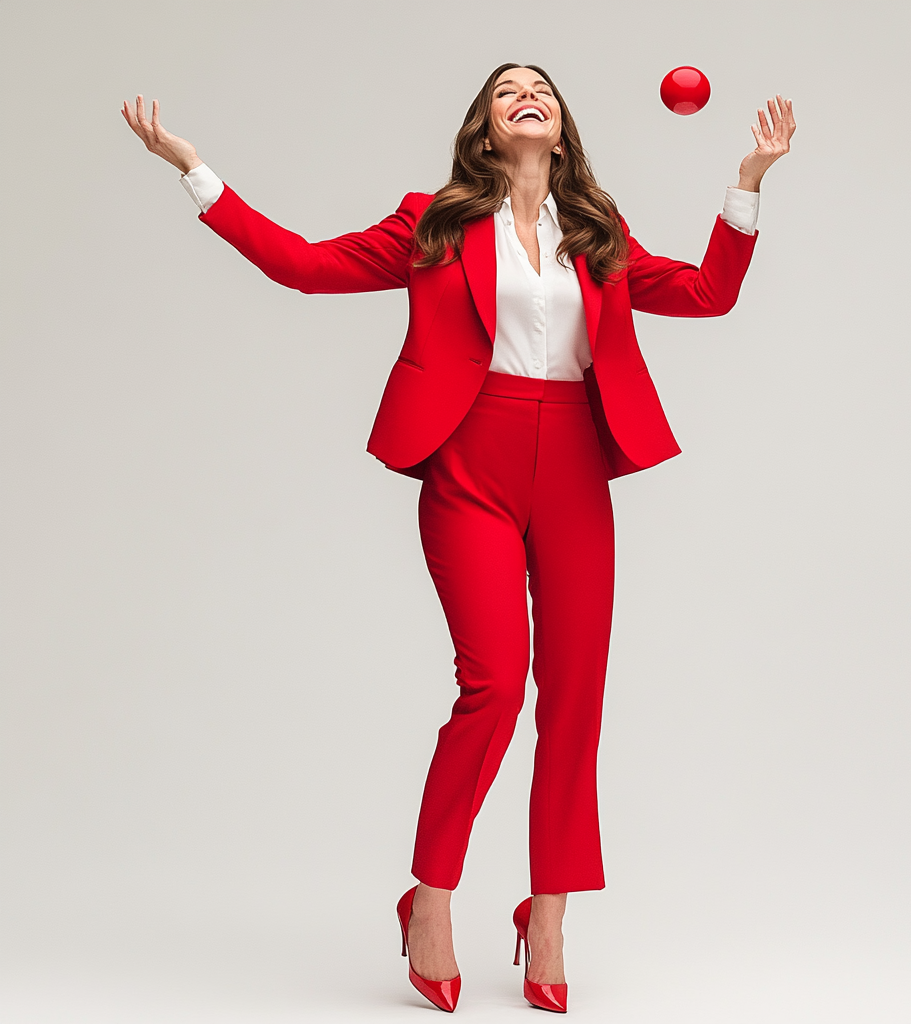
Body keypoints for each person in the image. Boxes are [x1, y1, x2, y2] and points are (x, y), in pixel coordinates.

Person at [122, 62, 795, 1014]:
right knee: (491, 683)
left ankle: (548, 916)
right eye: (506, 87)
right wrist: (196, 173)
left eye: (543, 89)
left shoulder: (597, 235)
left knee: (574, 699)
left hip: (572, 470)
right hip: (469, 464)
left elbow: (708, 294)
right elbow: (302, 266)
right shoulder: (431, 225)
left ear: (559, 131)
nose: (527, 93)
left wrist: (748, 180)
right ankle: (430, 898)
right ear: (485, 125)